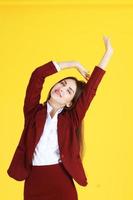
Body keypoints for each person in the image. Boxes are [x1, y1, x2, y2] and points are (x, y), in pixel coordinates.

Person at [7, 36, 113, 200]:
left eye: (69, 91)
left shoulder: (71, 120)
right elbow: (38, 75)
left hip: (61, 183)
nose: (62, 89)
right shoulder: (32, 112)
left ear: (70, 103)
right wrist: (74, 64)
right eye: (62, 84)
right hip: (34, 183)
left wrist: (108, 53)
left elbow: (91, 88)